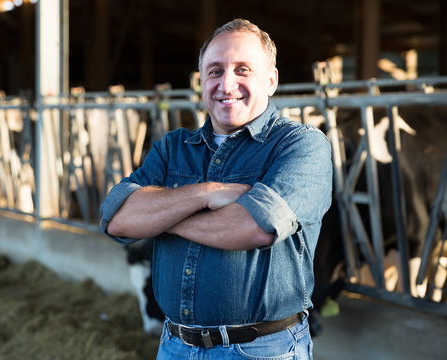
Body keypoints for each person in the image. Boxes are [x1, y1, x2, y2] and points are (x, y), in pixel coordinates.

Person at [100, 18, 332, 359]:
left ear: (271, 80)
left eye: (242, 70)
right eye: (214, 71)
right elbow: (116, 218)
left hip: (262, 351)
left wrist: (160, 217)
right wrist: (205, 193)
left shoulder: (300, 145)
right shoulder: (174, 147)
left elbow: (252, 227)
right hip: (175, 346)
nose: (227, 83)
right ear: (201, 82)